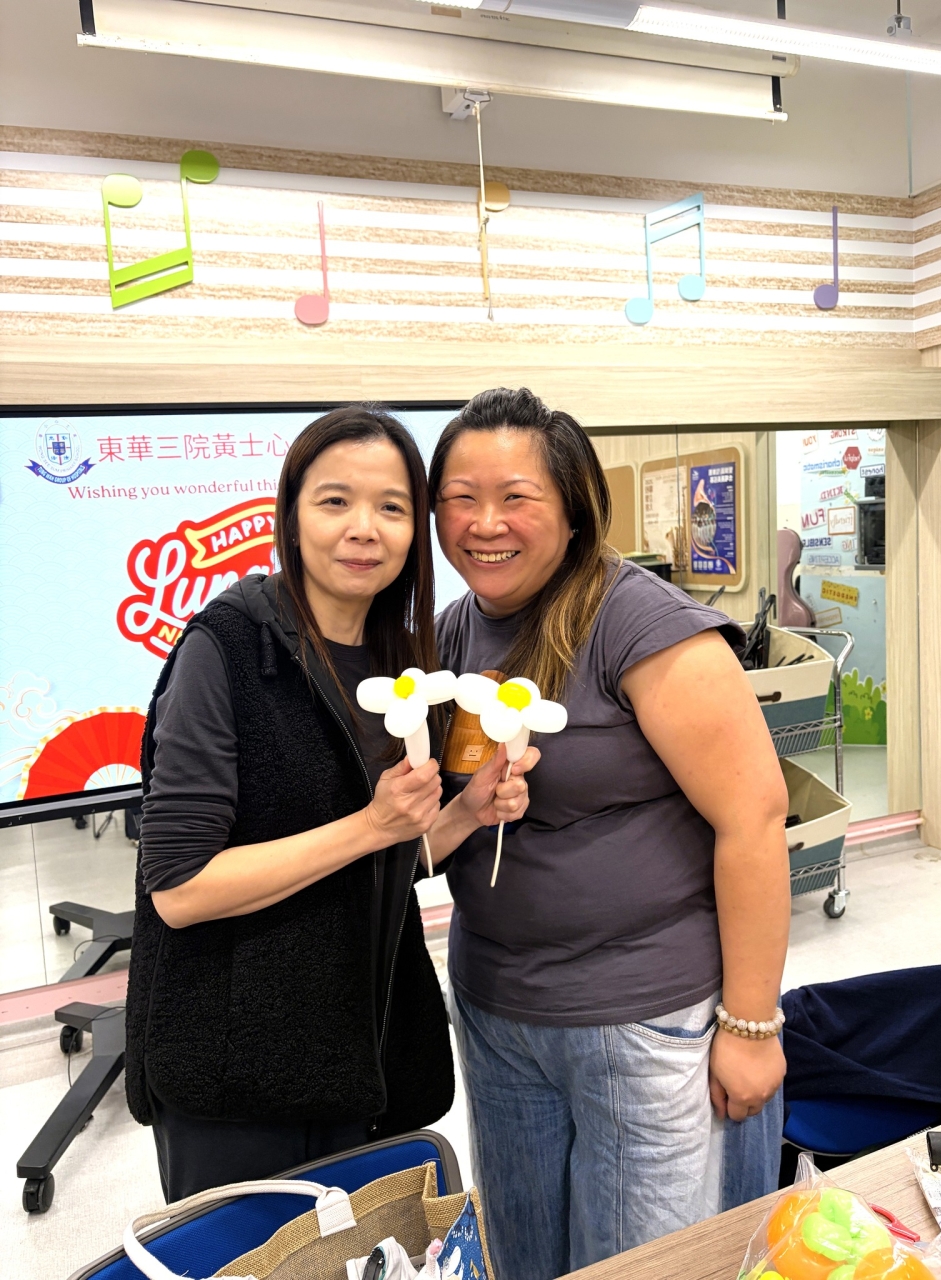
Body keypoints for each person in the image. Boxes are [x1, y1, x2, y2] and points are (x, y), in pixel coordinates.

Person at [124, 405, 536, 1202]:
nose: (364, 529)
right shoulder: (228, 648)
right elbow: (180, 888)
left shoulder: (398, 661)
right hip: (238, 1072)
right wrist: (371, 824)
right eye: (335, 501)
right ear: (291, 515)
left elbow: (387, 859)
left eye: (391, 507)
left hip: (362, 1051)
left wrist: (465, 813)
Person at [427, 388, 791, 1280]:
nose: (484, 524)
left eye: (515, 497)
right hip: (499, 1012)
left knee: (644, 1265)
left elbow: (754, 817)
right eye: (460, 499)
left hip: (643, 1021)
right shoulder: (455, 631)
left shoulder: (640, 625)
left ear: (574, 508)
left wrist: (751, 1026)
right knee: (527, 1256)